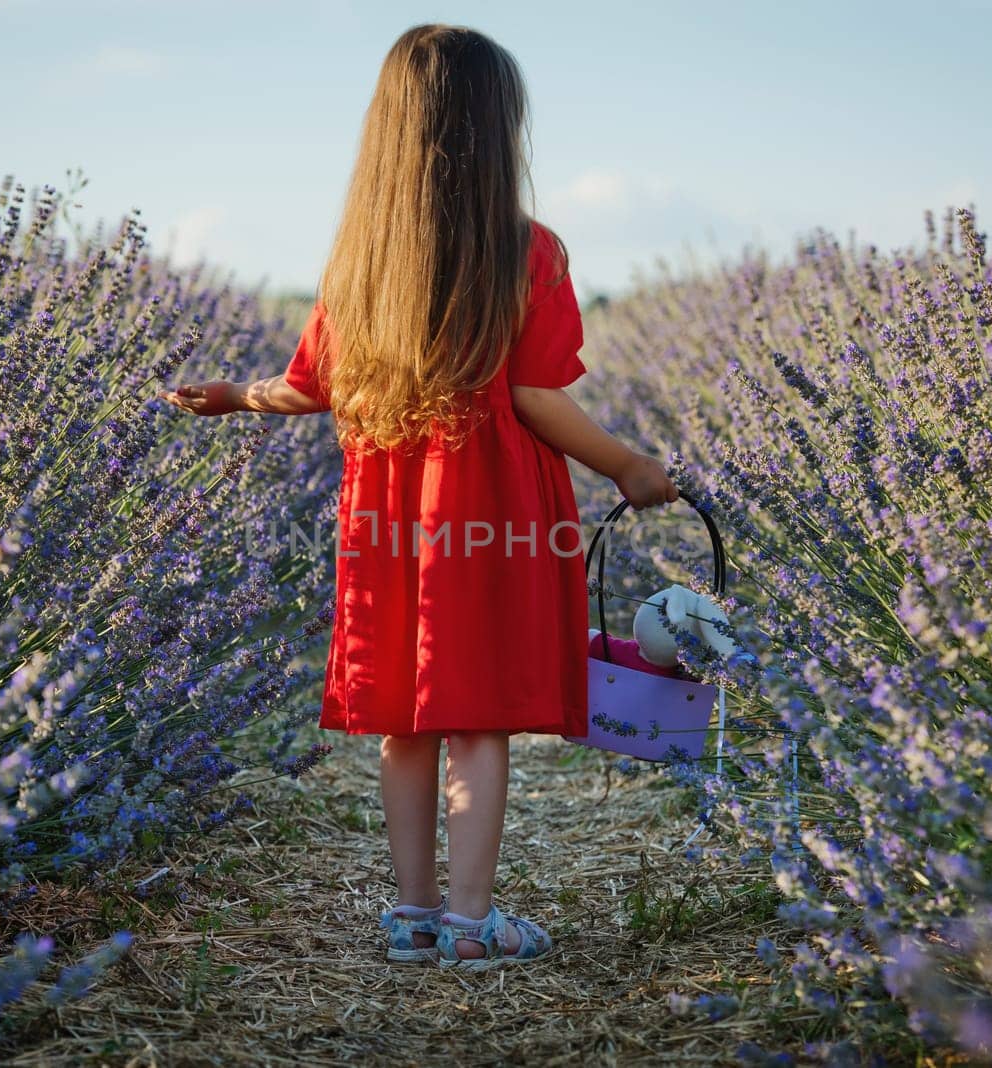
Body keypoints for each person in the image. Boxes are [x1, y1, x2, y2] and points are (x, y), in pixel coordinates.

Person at [160, 23, 677, 969]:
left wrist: (236, 397)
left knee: (405, 716)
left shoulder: (364, 261)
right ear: (497, 124)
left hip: (388, 519)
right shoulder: (527, 251)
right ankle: (476, 926)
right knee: (474, 716)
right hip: (493, 515)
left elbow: (311, 385)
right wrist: (630, 467)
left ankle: (412, 918)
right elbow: (534, 394)